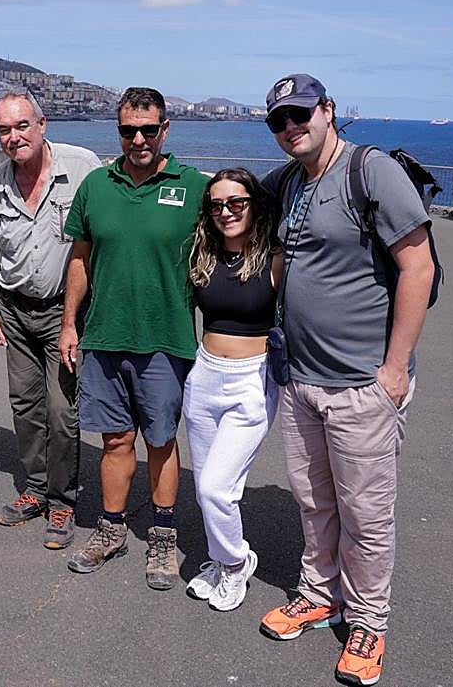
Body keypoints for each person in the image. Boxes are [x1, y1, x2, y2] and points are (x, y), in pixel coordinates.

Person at [258, 74, 435, 687]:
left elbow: (418, 265)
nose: (289, 128)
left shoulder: (370, 171)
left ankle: (368, 619)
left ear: (328, 111)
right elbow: (232, 210)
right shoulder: (285, 183)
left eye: (300, 115)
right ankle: (318, 591)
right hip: (301, 378)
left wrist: (392, 372)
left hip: (362, 383)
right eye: (278, 121)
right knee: (314, 499)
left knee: (367, 510)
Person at [58, 86, 210, 590]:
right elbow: (79, 258)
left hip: (166, 339)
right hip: (104, 337)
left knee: (162, 441)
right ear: (118, 131)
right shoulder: (97, 186)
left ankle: (164, 535)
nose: (139, 139)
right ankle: (111, 529)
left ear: (166, 129)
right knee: (115, 439)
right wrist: (68, 324)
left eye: (149, 129)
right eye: (129, 130)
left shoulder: (193, 188)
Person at [0, 89, 101, 549]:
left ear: (42, 124)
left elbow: (107, 225)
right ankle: (35, 488)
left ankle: (62, 500)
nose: (14, 137)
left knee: (62, 411)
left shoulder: (82, 167)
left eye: (22, 125)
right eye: (4, 130)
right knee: (25, 408)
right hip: (15, 310)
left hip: (64, 314)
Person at [181, 168, 283, 612]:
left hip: (252, 381)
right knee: (210, 482)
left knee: (214, 489)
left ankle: (238, 561)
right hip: (204, 377)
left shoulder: (276, 257)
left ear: (254, 205)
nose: (226, 212)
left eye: (236, 203)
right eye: (217, 205)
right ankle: (220, 562)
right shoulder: (202, 254)